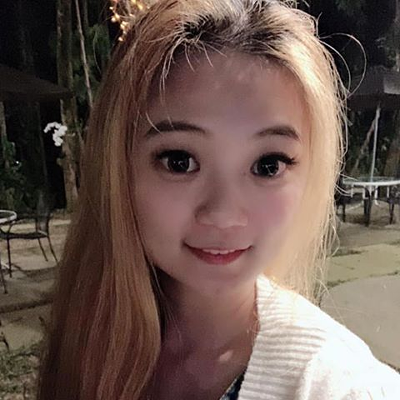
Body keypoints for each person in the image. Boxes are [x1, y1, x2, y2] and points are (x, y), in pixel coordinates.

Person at [37, 1, 400, 399]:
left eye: (268, 165)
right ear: (119, 167)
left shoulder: (345, 385)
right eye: (180, 161)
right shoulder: (91, 338)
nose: (224, 215)